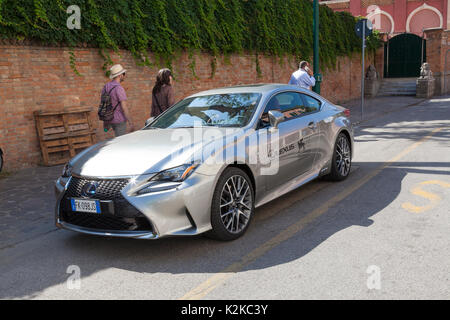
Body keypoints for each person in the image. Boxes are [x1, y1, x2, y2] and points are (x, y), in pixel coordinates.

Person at [102, 64, 134, 137]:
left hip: (109, 119)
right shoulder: (119, 88)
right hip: (119, 120)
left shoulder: (106, 86)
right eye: (123, 74)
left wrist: (105, 122)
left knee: (112, 141)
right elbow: (124, 107)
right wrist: (131, 123)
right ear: (120, 75)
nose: (124, 75)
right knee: (121, 142)